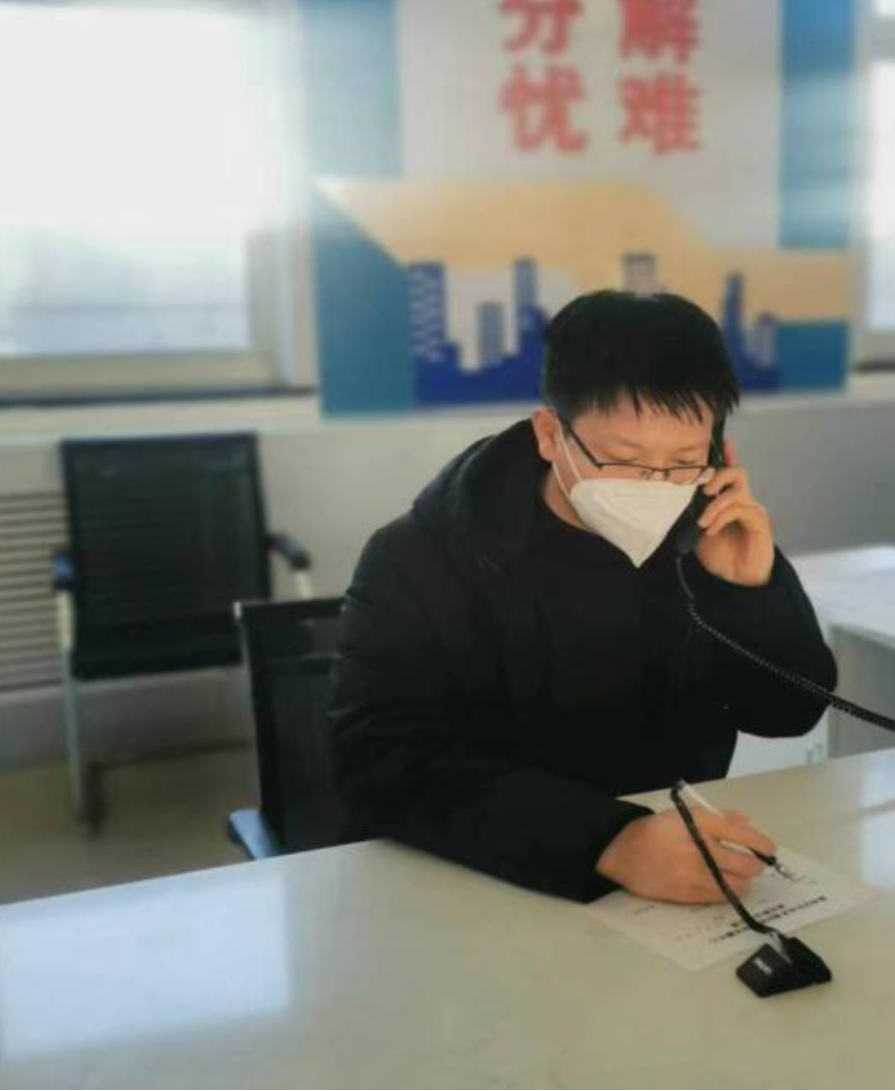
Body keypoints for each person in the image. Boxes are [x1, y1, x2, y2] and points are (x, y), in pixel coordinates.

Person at [329, 288, 836, 904]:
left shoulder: (701, 535)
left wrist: (749, 590)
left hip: (671, 870)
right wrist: (609, 841)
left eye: (684, 460)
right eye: (623, 459)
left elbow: (787, 716)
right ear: (550, 435)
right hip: (481, 878)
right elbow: (379, 763)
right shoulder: (419, 555)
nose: (656, 486)